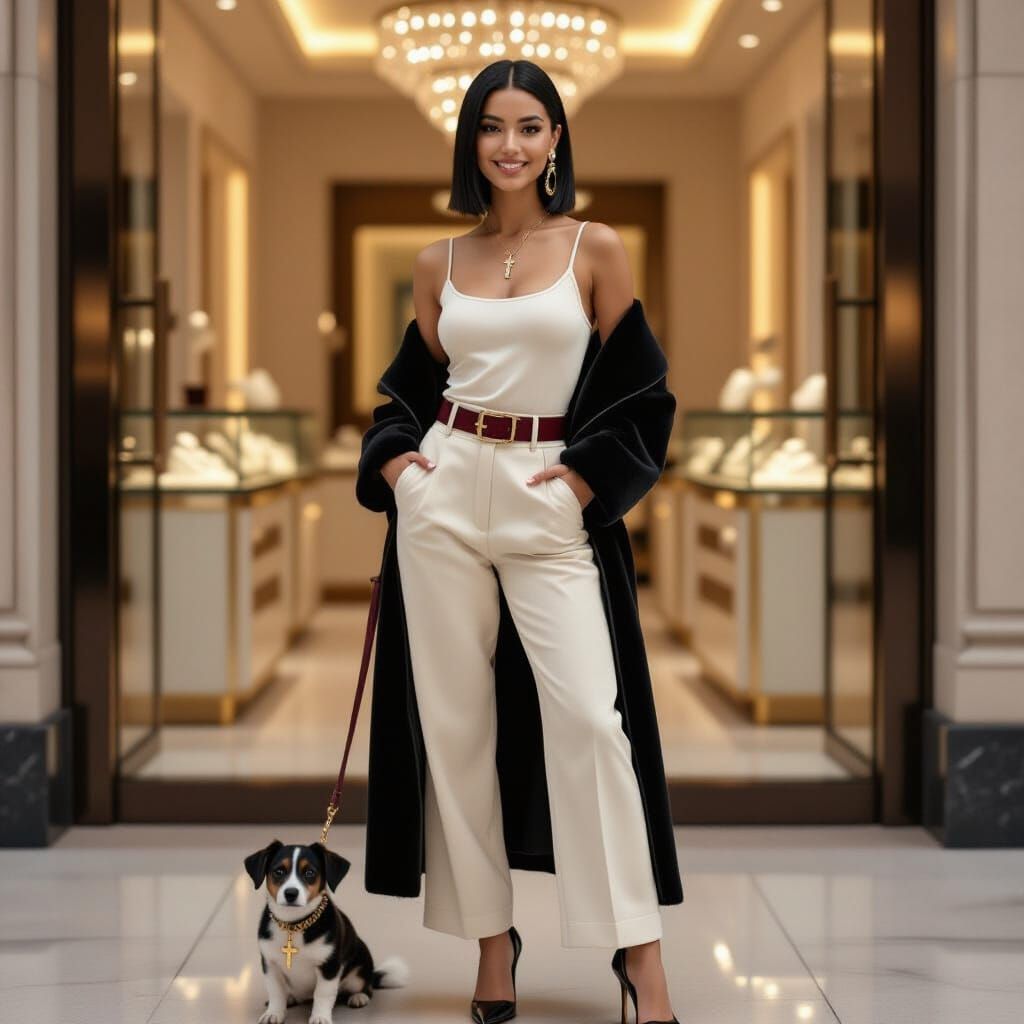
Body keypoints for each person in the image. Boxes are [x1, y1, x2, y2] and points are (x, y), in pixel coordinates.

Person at [368, 59, 680, 1024]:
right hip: (447, 489)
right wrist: (397, 468)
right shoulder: (437, 263)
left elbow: (644, 392)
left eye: (531, 126)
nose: (511, 144)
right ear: (471, 140)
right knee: (456, 727)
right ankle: (492, 945)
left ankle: (642, 958)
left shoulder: (597, 248)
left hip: (551, 495)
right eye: (493, 127)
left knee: (592, 717)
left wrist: (587, 479)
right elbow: (404, 397)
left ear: (556, 141)